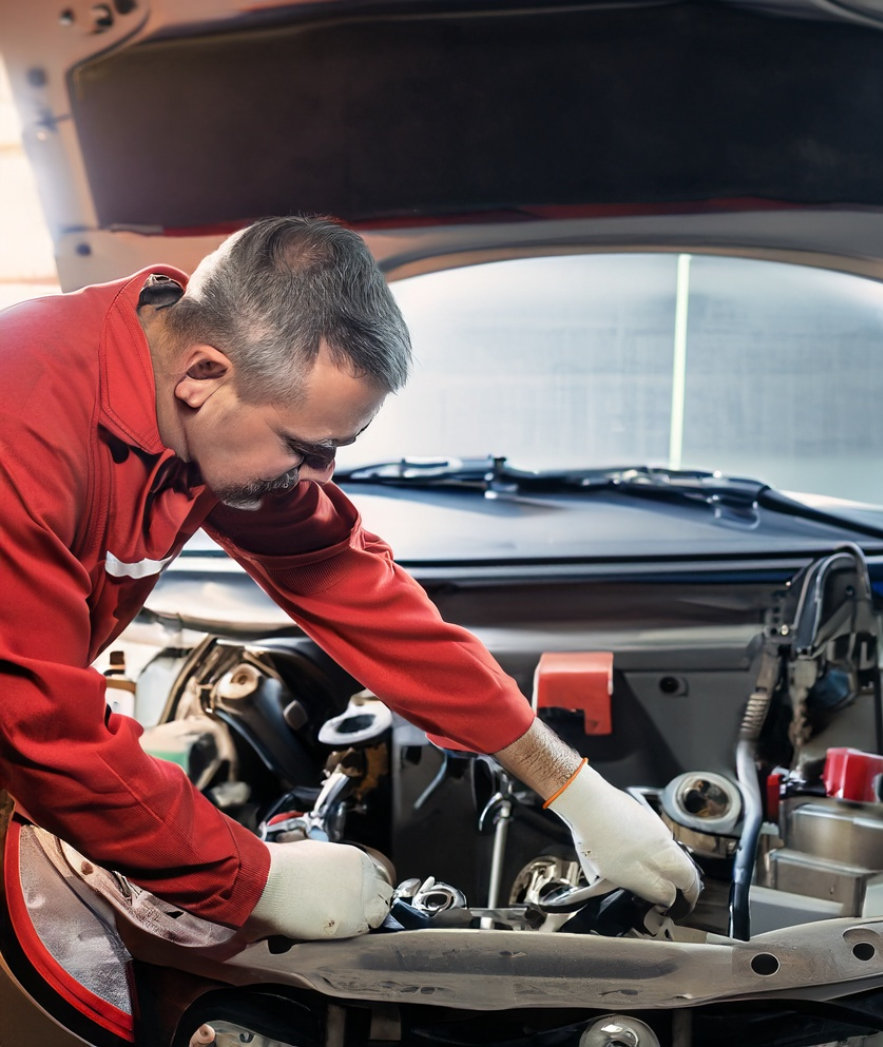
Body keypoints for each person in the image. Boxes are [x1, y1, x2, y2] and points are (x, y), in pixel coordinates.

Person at [0, 216, 700, 942]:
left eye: (337, 449)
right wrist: (254, 877)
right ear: (203, 374)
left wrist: (570, 783)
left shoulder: (201, 398)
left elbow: (352, 586)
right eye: (306, 448)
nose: (319, 477)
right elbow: (42, 731)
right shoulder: (21, 419)